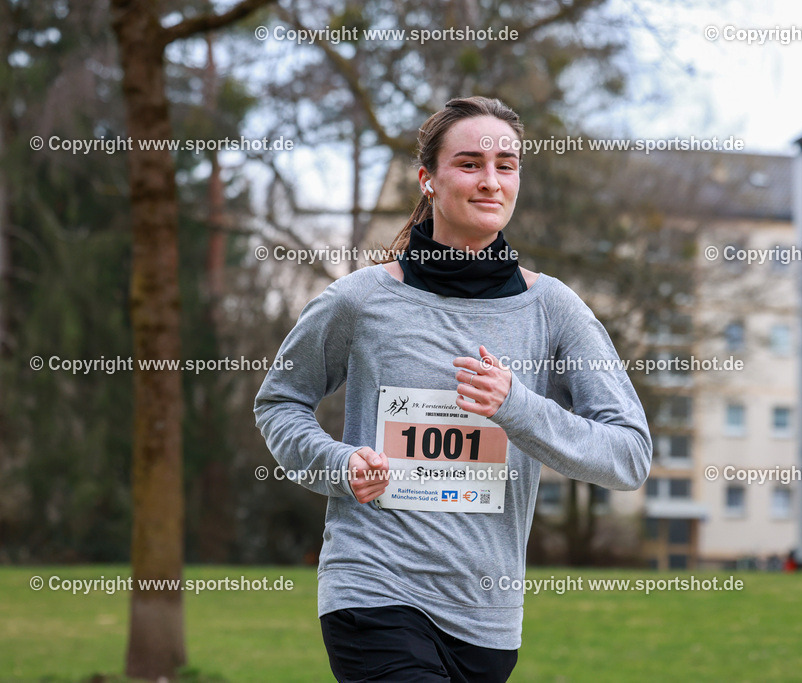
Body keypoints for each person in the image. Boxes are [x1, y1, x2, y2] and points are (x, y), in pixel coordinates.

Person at [254, 96, 652, 682]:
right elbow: (280, 402)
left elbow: (629, 454)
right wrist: (338, 464)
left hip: (486, 617)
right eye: (469, 164)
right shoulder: (360, 301)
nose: (491, 181)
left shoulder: (555, 310)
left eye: (506, 165)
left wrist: (517, 407)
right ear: (428, 180)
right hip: (373, 588)